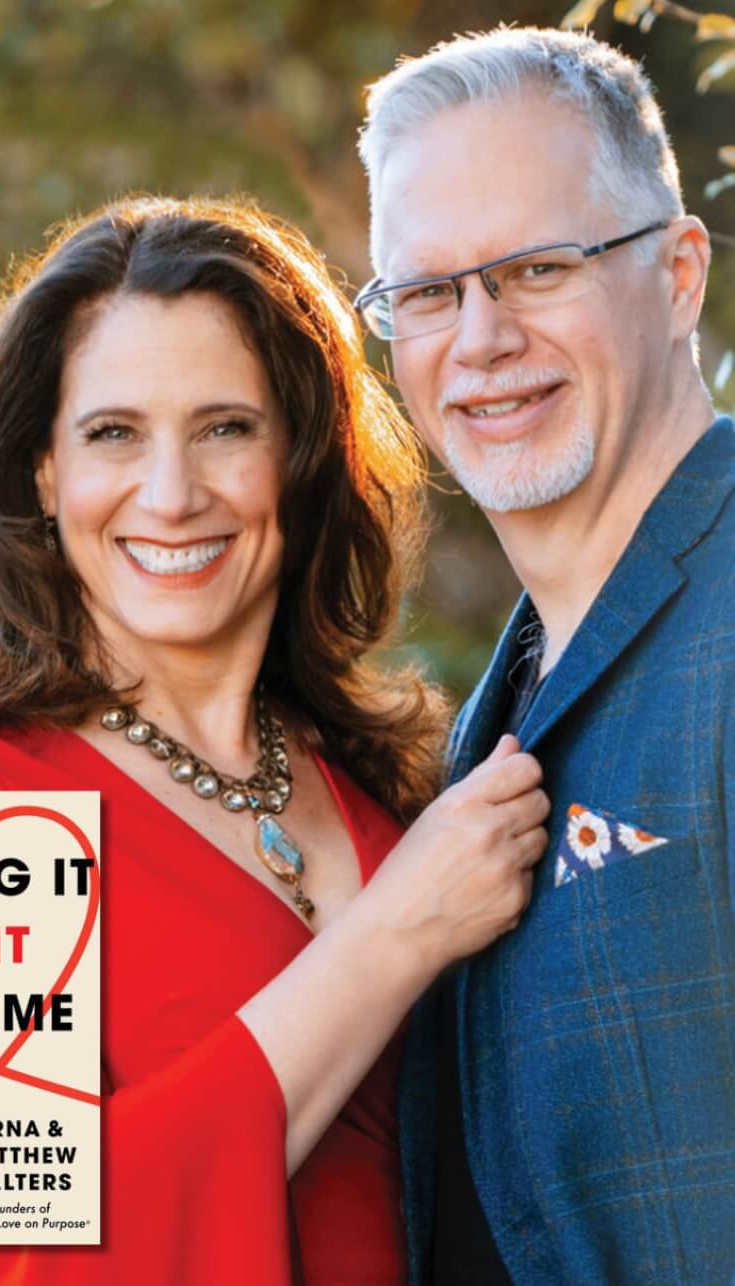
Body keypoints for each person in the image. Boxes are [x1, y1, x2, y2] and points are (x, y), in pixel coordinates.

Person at [0, 194, 549, 1285]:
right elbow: (34, 1268)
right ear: (42, 471)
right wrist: (390, 938)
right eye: (112, 433)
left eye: (225, 428)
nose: (170, 495)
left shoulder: (397, 792)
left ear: (300, 462)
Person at [355, 24, 735, 1285]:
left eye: (533, 268)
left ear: (677, 272)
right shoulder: (488, 713)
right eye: (426, 291)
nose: (478, 337)